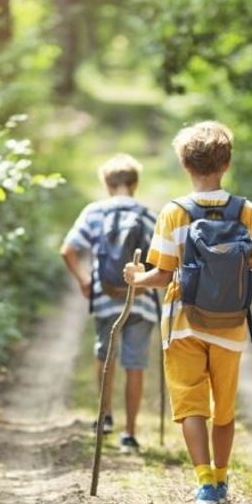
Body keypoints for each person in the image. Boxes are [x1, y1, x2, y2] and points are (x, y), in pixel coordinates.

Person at [123, 121, 252, 504]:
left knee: (191, 404)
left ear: (184, 165)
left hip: (183, 324)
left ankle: (205, 482)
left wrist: (136, 279)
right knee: (224, 409)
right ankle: (223, 478)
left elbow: (162, 275)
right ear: (226, 163)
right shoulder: (246, 211)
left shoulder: (174, 212)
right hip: (231, 325)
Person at [61, 153, 159, 454]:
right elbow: (163, 259)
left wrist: (84, 280)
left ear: (106, 184)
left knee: (105, 356)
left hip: (104, 297)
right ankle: (129, 434)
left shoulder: (94, 213)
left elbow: (68, 250)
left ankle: (104, 417)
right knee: (135, 363)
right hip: (140, 299)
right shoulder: (147, 215)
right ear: (135, 184)